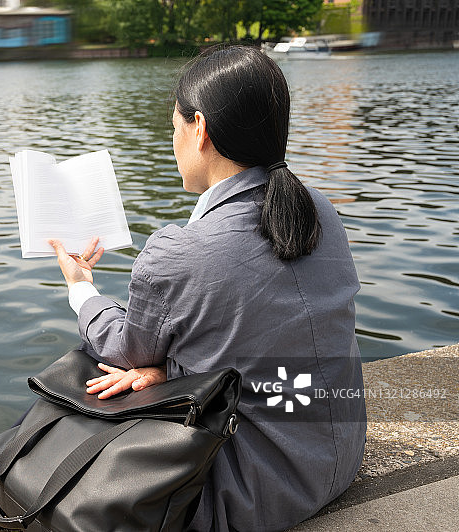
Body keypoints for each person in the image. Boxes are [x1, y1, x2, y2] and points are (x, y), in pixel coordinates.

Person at [48, 45, 366, 531]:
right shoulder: (319, 209)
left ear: (199, 129)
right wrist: (169, 368)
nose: (172, 142)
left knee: (97, 365)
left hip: (251, 494)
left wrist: (81, 289)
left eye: (173, 128)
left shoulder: (179, 250)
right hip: (338, 458)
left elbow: (123, 348)